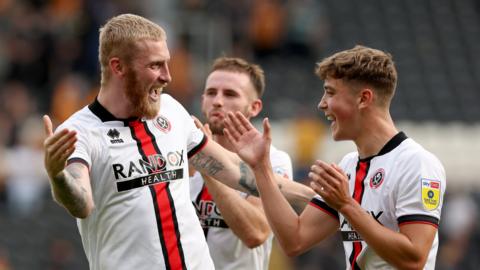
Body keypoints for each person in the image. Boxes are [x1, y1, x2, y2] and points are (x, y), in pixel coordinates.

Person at [42, 14, 314, 270]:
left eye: (166, 63)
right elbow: (81, 203)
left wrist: (321, 198)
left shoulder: (170, 110)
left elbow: (236, 171)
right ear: (118, 67)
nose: (167, 76)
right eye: (155, 65)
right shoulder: (79, 132)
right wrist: (58, 176)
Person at [223, 45, 446, 269]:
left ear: (363, 99)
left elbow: (414, 259)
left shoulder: (417, 164)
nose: (321, 104)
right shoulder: (348, 166)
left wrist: (347, 205)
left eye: (330, 92)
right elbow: (295, 239)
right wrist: (261, 168)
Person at [190, 57, 293, 270]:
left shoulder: (273, 160)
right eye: (211, 93)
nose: (217, 101)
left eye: (230, 94)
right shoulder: (180, 151)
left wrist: (207, 167)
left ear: (254, 107)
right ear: (202, 100)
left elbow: (256, 232)